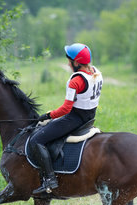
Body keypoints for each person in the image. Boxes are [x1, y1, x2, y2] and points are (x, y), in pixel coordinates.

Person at [29, 43, 103, 194]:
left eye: (69, 60)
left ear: (76, 63)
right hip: (90, 117)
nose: (68, 63)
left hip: (75, 119)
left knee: (36, 140)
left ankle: (50, 179)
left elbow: (66, 109)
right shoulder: (96, 72)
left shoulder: (76, 81)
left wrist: (48, 115)